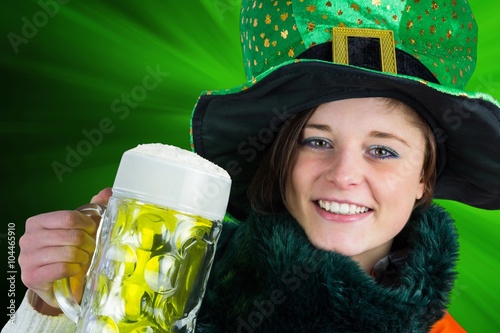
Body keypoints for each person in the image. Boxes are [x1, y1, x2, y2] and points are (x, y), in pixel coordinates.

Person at [3, 0, 500, 332]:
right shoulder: (165, 277)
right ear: (279, 159)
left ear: (423, 180)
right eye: (317, 141)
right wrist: (55, 303)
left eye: (384, 150)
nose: (345, 175)